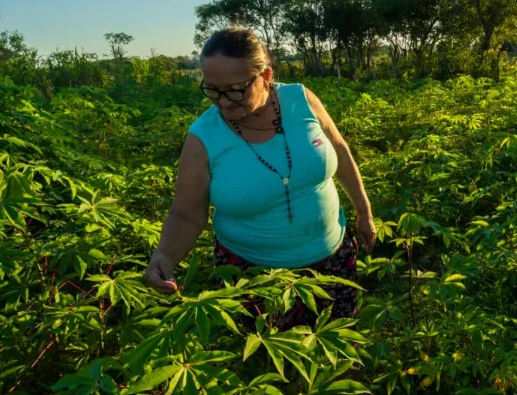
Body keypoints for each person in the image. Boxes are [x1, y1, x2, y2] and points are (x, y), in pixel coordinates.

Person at [144, 27, 376, 328]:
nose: (224, 102)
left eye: (235, 90)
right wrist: (165, 254)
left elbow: (341, 153)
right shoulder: (203, 136)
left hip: (333, 257)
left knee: (338, 342)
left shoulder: (300, 99)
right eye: (212, 90)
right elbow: (186, 214)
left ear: (265, 76)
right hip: (253, 274)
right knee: (268, 360)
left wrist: (363, 210)